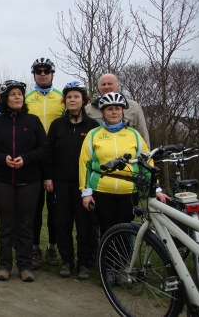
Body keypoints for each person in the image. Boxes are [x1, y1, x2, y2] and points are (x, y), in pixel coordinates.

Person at [0, 80, 50, 282]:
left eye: (20, 93)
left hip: (29, 181)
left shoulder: (33, 121)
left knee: (25, 225)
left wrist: (26, 159)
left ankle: (25, 265)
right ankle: (4, 265)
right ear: (5, 99)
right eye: (13, 94)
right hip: (1, 180)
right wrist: (3, 159)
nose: (18, 97)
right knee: (5, 225)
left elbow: (45, 148)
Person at [79, 92, 170, 240]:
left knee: (126, 230)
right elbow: (85, 164)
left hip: (128, 192)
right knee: (106, 231)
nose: (114, 112)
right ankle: (106, 263)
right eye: (109, 109)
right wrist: (86, 192)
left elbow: (147, 162)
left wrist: (156, 188)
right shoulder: (93, 134)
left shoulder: (133, 134)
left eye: (117, 108)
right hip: (101, 190)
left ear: (123, 111)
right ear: (102, 112)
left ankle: (124, 264)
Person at [43, 81, 99, 280]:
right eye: (69, 97)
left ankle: (84, 263)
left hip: (85, 185)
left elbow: (97, 158)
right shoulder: (57, 125)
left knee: (85, 225)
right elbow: (48, 153)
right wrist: (48, 177)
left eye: (76, 96)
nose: (72, 100)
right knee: (62, 223)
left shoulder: (93, 126)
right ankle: (67, 261)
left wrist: (92, 185)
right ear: (64, 101)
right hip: (60, 183)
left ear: (84, 100)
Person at [25, 58, 65, 268]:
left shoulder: (62, 99)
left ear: (52, 73)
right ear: (33, 74)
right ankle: (34, 249)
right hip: (33, 161)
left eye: (46, 70)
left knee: (55, 210)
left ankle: (52, 248)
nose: (42, 73)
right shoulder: (26, 98)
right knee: (34, 209)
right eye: (38, 71)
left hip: (56, 162)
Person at [85, 73, 150, 146]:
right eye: (103, 84)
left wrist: (147, 155)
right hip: (100, 154)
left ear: (118, 86)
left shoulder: (133, 107)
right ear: (99, 87)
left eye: (110, 84)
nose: (106, 87)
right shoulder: (89, 109)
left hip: (128, 153)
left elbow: (143, 134)